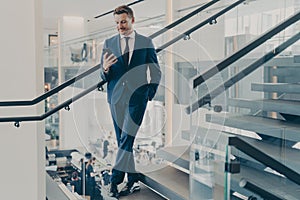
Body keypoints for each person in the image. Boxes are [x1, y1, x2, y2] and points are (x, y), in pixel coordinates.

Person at [99, 5, 161, 198]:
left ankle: (115, 180)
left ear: (133, 20)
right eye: (117, 23)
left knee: (126, 138)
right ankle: (132, 180)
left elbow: (156, 70)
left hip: (137, 99)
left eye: (123, 22)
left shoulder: (146, 41)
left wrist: (149, 93)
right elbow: (103, 75)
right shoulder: (109, 42)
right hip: (115, 99)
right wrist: (105, 69)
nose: (120, 26)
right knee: (123, 142)